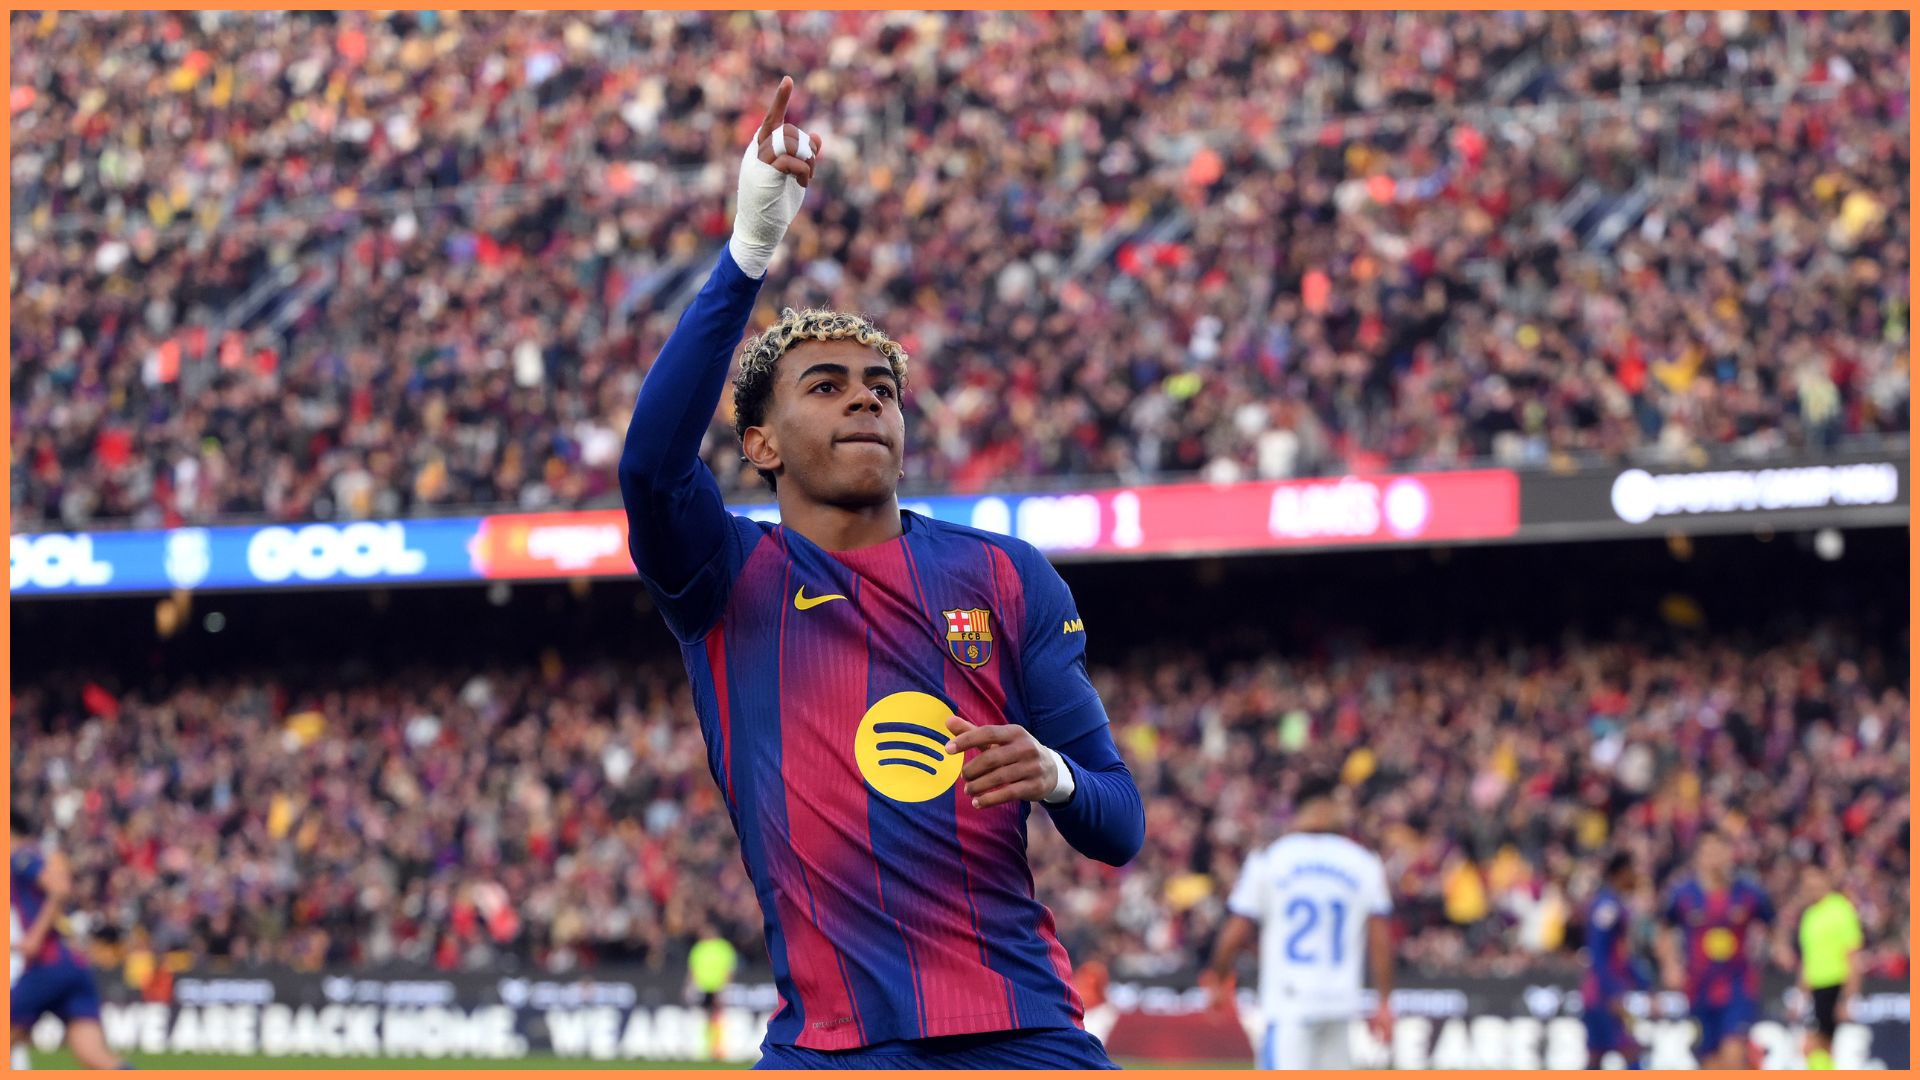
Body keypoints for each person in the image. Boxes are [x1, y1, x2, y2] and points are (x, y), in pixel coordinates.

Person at [618, 76, 1144, 1070]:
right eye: (827, 387)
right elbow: (650, 466)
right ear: (763, 443)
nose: (866, 403)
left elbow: (1118, 823)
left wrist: (1058, 773)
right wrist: (748, 252)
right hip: (831, 1045)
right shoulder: (726, 576)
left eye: (882, 390)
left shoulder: (1006, 576)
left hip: (1021, 1032)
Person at [1201, 773, 1393, 1069]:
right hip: (1340, 1003)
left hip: (1289, 1003)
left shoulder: (1270, 858)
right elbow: (1380, 937)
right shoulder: (1363, 861)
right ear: (1323, 806)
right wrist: (1383, 1001)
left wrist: (1219, 979)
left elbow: (1235, 933)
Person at [9, 808, 129, 1069]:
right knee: (95, 1056)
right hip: (71, 965)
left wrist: (34, 938)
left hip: (47, 965)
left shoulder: (20, 857)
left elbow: (61, 888)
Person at [1658, 831, 1774, 1070]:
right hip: (1698, 987)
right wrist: (1670, 964)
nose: (1714, 858)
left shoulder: (1749, 892)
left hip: (1737, 985)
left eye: (1720, 851)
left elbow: (1773, 922)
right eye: (1708, 852)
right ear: (1698, 857)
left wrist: (1774, 949)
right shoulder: (1683, 894)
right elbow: (1664, 929)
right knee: (1710, 1062)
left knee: (1733, 1055)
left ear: (1730, 855)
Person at [1794, 863, 1864, 1070]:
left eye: (1815, 877)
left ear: (1826, 879)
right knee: (1813, 1047)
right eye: (1806, 880)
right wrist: (1800, 995)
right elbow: (1807, 960)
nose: (1810, 884)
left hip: (1835, 985)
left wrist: (1848, 997)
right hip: (1816, 988)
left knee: (1821, 1045)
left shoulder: (1841, 909)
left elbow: (1853, 956)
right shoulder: (1809, 916)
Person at [1581, 852, 1646, 1069]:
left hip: (1600, 991)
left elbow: (1620, 955)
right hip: (1602, 993)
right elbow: (1598, 953)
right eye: (1632, 871)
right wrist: (1611, 992)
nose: (1636, 876)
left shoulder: (1614, 903)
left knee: (1596, 1057)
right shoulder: (1607, 906)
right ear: (1621, 872)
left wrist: (1643, 982)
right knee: (1629, 1051)